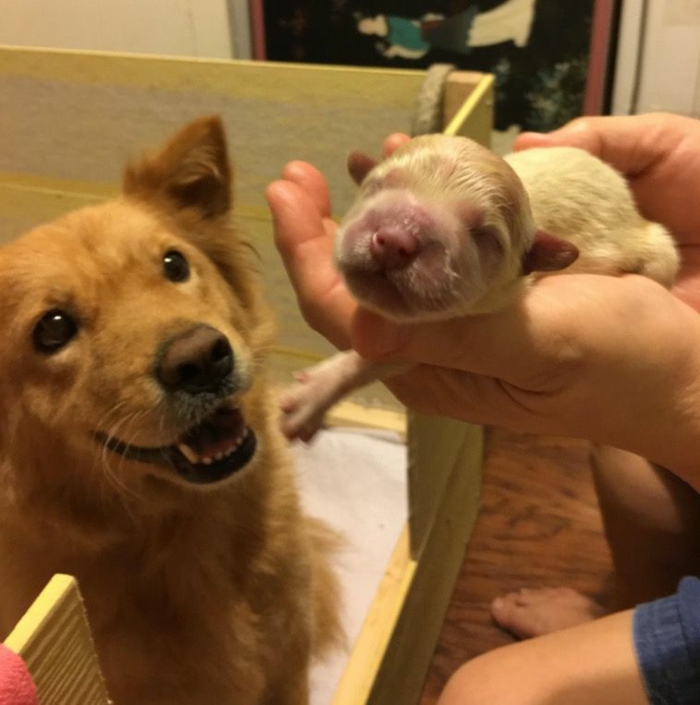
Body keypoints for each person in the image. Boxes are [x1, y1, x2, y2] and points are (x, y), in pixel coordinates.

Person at [266, 112, 700, 704]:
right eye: (381, 190)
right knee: (635, 472)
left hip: (628, 248)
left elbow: (405, 335)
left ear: (534, 261)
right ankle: (627, 606)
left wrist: (678, 385)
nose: (395, 239)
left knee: (481, 690)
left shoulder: (538, 268)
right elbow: (398, 332)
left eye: (483, 237)